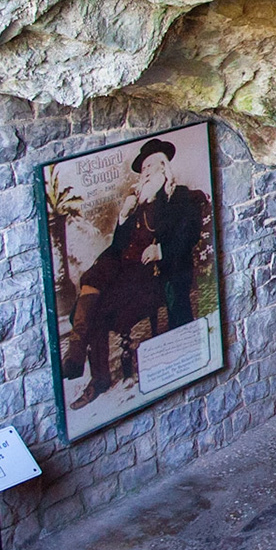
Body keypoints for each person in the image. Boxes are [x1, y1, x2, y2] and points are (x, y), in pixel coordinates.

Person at [59, 138, 213, 408]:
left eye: (151, 166)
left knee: (97, 304)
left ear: (164, 168)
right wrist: (123, 217)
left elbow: (189, 235)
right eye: (143, 170)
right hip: (123, 273)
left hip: (154, 276)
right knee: (94, 284)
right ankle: (91, 367)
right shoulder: (136, 204)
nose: (146, 173)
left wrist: (160, 250)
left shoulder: (179, 197)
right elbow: (118, 247)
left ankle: (84, 361)